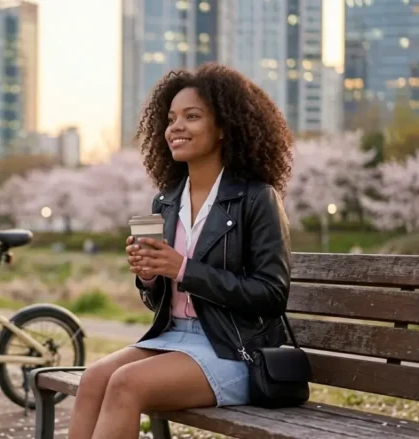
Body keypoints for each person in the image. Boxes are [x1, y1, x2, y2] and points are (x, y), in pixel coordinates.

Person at [67, 63, 294, 439]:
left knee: (126, 384)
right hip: (173, 339)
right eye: (171, 118)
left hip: (234, 350)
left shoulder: (256, 198)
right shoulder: (167, 202)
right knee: (94, 379)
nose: (176, 127)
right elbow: (160, 298)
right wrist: (149, 276)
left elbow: (271, 295)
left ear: (224, 127)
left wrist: (184, 269)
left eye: (192, 116)